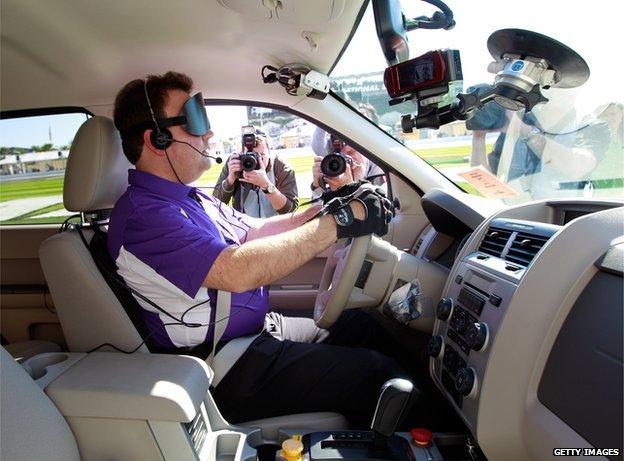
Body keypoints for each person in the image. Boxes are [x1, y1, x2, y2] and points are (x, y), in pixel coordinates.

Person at [108, 71, 406, 428]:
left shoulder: (188, 197)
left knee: (363, 326)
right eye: (194, 120)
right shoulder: (145, 216)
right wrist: (341, 221)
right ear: (156, 139)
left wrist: (329, 205)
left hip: (256, 335)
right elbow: (236, 270)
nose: (209, 133)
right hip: (228, 365)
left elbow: (257, 230)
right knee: (380, 375)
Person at [468, 84, 611, 197]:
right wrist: (478, 136)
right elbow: (483, 185)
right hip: (514, 219)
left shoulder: (589, 125)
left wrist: (526, 131)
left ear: (576, 88)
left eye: (561, 85)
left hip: (564, 221)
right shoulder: (518, 122)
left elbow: (577, 167)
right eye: (549, 84)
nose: (554, 89)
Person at [213, 128, 298, 218]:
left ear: (269, 152)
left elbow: (290, 210)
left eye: (261, 155)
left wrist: (266, 186)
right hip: (245, 228)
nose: (256, 161)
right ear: (241, 153)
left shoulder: (280, 166)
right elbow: (215, 204)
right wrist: (230, 180)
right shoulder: (235, 163)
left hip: (277, 226)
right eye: (249, 155)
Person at [310, 127, 386, 197]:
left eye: (351, 152)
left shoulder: (383, 174)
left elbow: (377, 206)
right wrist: (317, 187)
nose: (348, 161)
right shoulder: (334, 177)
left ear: (367, 151)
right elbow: (317, 210)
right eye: (341, 157)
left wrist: (347, 189)